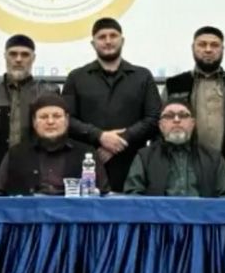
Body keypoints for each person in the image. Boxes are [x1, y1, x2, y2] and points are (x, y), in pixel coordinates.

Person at [62, 18, 160, 192]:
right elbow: (66, 120)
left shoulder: (142, 76)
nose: (108, 41)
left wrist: (121, 140)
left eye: (113, 35)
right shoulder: (76, 77)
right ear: (93, 43)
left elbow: (154, 118)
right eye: (102, 37)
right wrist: (99, 136)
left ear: (122, 40)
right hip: (88, 165)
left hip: (134, 165)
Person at [160, 27, 225, 180]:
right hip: (182, 171)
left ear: (222, 49)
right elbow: (160, 128)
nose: (208, 50)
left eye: (214, 45)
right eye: (202, 44)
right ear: (193, 48)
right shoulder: (174, 85)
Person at [0, 35, 59, 193]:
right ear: (5, 56)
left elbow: (58, 136)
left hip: (38, 174)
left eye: (25, 55)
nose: (18, 59)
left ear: (33, 58)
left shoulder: (49, 92)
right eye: (13, 54)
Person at [0, 94, 108, 196]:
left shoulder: (86, 153)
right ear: (34, 122)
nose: (50, 122)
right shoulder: (16, 154)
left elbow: (104, 195)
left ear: (67, 120)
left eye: (57, 116)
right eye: (43, 117)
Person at [124, 99, 225, 197]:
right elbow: (133, 197)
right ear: (161, 125)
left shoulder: (213, 158)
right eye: (169, 116)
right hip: (158, 215)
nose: (176, 120)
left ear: (192, 124)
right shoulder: (144, 158)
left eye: (183, 115)